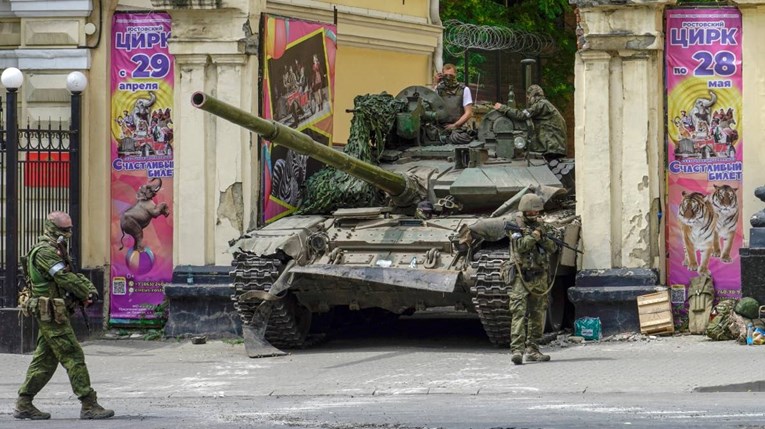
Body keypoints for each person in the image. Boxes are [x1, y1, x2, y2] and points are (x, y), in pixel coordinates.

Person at [14, 211, 114, 420]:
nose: (68, 233)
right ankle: (88, 404)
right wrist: (85, 292)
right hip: (50, 314)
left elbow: (72, 274)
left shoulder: (57, 250)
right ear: (51, 228)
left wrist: (88, 290)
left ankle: (24, 403)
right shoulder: (44, 252)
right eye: (64, 229)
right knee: (73, 355)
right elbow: (63, 277)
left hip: (56, 313)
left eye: (70, 229)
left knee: (44, 361)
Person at [506, 194, 558, 365]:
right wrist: (535, 235)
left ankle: (533, 348)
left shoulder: (542, 227)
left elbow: (552, 247)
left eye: (536, 212)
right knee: (519, 311)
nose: (534, 214)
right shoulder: (515, 227)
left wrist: (542, 236)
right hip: (522, 275)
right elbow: (520, 246)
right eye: (531, 212)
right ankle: (517, 350)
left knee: (537, 312)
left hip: (540, 274)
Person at [493, 84, 566, 158]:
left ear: (533, 96)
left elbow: (522, 115)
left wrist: (503, 108)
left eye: (528, 97)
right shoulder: (545, 104)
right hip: (554, 146)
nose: (528, 100)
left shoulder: (541, 104)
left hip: (552, 146)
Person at [435, 63, 474, 144]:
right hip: (440, 128)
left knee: (458, 139)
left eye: (451, 75)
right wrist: (435, 83)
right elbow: (430, 102)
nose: (448, 77)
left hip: (459, 129)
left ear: (455, 74)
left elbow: (468, 113)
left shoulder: (464, 90)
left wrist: (455, 125)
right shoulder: (438, 89)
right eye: (446, 75)